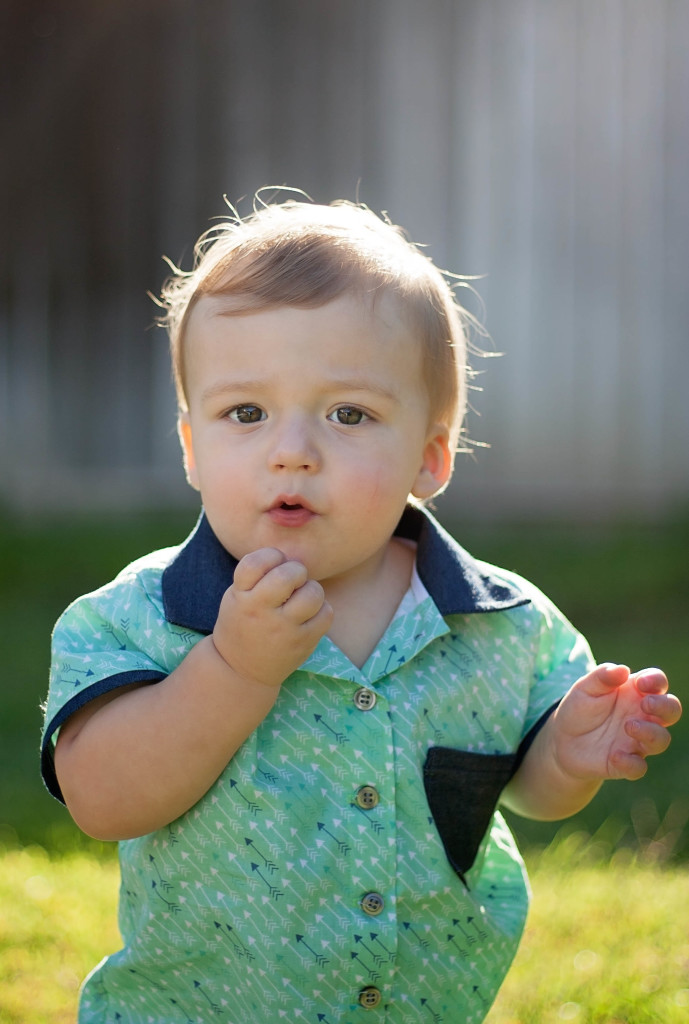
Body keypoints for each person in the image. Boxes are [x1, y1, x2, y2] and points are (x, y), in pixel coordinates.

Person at [42, 196, 682, 1024]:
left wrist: (565, 755)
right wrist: (234, 669)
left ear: (429, 456)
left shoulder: (498, 623)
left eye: (349, 414)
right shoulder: (139, 618)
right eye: (246, 413)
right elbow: (103, 800)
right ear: (192, 447)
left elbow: (527, 791)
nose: (292, 450)